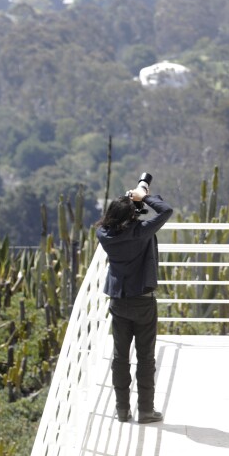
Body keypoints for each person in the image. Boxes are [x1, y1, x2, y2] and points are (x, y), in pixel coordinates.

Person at [95, 176, 173, 424]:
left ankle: (121, 409)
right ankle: (146, 411)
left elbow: (120, 222)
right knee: (145, 357)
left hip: (119, 300)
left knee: (120, 357)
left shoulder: (104, 233)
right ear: (132, 215)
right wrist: (144, 196)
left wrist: (133, 202)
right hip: (143, 301)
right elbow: (166, 210)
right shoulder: (140, 232)